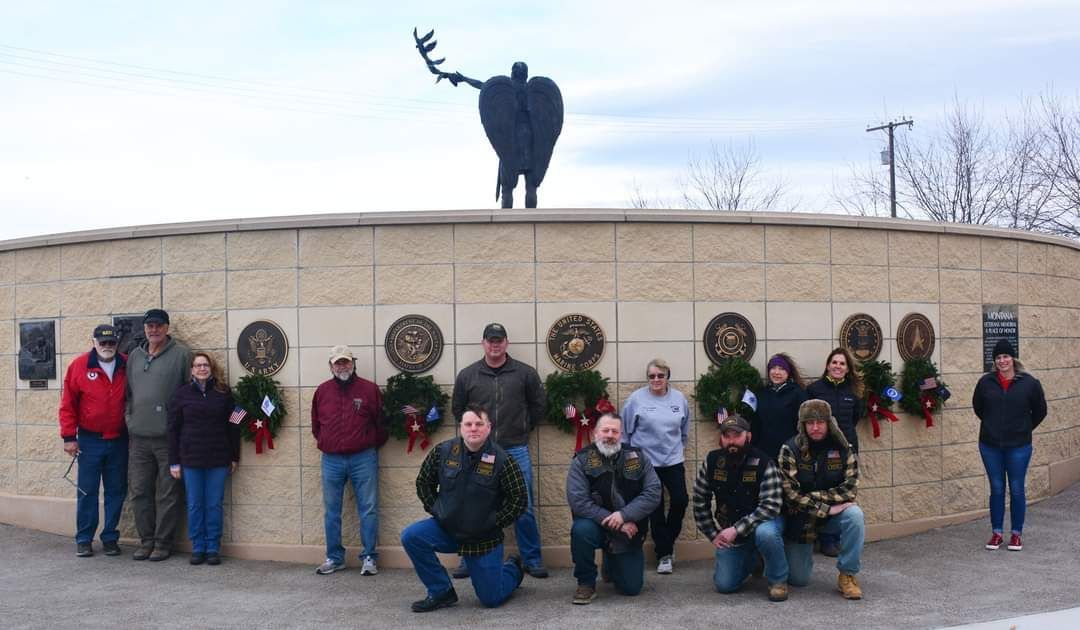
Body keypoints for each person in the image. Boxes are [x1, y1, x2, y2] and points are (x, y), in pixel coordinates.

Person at [400, 404, 527, 612]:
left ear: (489, 428)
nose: (473, 428)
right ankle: (441, 591)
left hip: (483, 539)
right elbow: (423, 482)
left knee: (491, 599)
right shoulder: (443, 451)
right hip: (447, 529)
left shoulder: (503, 460)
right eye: (468, 424)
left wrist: (493, 522)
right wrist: (438, 510)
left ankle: (513, 569)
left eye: (479, 424)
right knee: (411, 536)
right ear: (461, 427)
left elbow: (519, 499)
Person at [450, 323, 547, 579]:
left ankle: (532, 559)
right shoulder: (468, 375)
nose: (495, 345)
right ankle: (468, 558)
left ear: (506, 343)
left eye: (499, 340)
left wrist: (523, 427)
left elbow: (538, 406)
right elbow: (458, 410)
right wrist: (476, 436)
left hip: (515, 448)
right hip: (478, 451)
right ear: (483, 343)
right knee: (473, 505)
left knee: (523, 505)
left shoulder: (524, 373)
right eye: (490, 340)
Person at [566, 412, 660, 605]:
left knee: (631, 589)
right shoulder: (581, 460)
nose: (610, 435)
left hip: (628, 527)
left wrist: (624, 515)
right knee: (580, 530)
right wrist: (616, 521)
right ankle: (586, 582)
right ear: (595, 434)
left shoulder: (638, 457)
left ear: (621, 435)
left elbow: (653, 492)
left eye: (615, 431)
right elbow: (579, 502)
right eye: (605, 430)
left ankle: (611, 562)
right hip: (596, 525)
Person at [693, 414, 788, 601]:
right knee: (724, 585)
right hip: (732, 530)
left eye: (737, 436)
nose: (731, 441)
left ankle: (778, 580)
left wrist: (737, 529)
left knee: (766, 534)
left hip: (763, 524)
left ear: (749, 436)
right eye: (727, 436)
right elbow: (699, 499)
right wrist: (712, 534)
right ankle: (755, 559)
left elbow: (771, 506)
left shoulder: (764, 462)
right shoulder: (712, 461)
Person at [311, 345, 387, 576]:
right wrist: (329, 441)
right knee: (331, 511)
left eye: (346, 362)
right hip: (331, 459)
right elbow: (316, 426)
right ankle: (335, 558)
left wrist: (367, 443)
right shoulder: (322, 392)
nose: (342, 366)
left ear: (353, 363)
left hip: (363, 457)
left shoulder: (369, 389)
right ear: (331, 366)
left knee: (369, 508)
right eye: (338, 362)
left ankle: (369, 558)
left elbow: (381, 424)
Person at [778, 399, 865, 600]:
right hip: (800, 520)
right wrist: (827, 507)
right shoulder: (789, 449)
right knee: (798, 580)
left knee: (854, 515)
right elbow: (790, 495)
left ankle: (848, 574)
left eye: (820, 422)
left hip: (830, 518)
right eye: (810, 423)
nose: (815, 427)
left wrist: (819, 502)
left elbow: (850, 489)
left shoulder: (844, 447)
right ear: (802, 425)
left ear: (829, 423)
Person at [125, 308, 192, 562]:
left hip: (168, 438)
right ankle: (146, 541)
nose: (154, 330)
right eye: (149, 326)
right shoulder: (134, 356)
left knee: (168, 492)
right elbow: (128, 393)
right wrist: (129, 418)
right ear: (144, 328)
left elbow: (188, 392)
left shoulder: (182, 355)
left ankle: (163, 543)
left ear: (166, 328)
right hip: (139, 439)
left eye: (158, 325)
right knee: (139, 491)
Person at [58, 324, 128, 558]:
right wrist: (69, 436)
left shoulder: (127, 364)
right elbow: (67, 404)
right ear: (94, 342)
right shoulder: (79, 366)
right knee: (87, 491)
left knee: (116, 491)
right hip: (89, 440)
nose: (107, 347)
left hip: (119, 440)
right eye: (102, 342)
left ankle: (110, 537)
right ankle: (84, 539)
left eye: (111, 343)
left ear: (117, 343)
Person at [972, 339, 1047, 552]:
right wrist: (992, 426)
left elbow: (1040, 411)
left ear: (1013, 358)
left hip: (1019, 447)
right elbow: (978, 407)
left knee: (1016, 489)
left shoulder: (1030, 383)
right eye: (998, 358)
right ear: (994, 361)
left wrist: (1024, 428)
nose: (1002, 361)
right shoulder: (985, 383)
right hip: (990, 445)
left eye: (1005, 356)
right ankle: (996, 533)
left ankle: (1016, 534)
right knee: (996, 489)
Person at [167, 352, 241, 566]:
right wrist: (174, 461)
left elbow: (234, 425)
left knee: (214, 505)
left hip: (218, 458)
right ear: (191, 370)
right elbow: (173, 429)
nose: (202, 369)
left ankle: (212, 547)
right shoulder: (181, 394)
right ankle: (198, 547)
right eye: (198, 365)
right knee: (195, 505)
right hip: (191, 460)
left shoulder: (223, 393)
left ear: (211, 368)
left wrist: (234, 456)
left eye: (205, 365)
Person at [621, 358, 690, 574]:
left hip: (673, 460)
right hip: (647, 463)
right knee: (655, 508)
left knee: (680, 500)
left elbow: (684, 431)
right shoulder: (636, 399)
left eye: (660, 375)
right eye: (652, 376)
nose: (656, 380)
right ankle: (664, 555)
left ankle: (667, 541)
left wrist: (676, 450)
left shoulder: (679, 399)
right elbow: (625, 431)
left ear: (667, 376)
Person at [805, 347, 863, 557]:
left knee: (843, 492)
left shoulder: (854, 392)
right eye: (834, 362)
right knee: (822, 489)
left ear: (847, 369)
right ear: (828, 366)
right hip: (821, 450)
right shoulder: (814, 390)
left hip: (846, 449)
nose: (838, 366)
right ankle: (815, 533)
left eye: (842, 363)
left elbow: (856, 417)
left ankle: (831, 539)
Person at [752, 353, 808, 461]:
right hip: (764, 454)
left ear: (788, 372)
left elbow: (803, 425)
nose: (777, 372)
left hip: (789, 453)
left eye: (781, 368)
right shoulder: (761, 394)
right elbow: (756, 424)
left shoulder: (798, 393)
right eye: (773, 368)